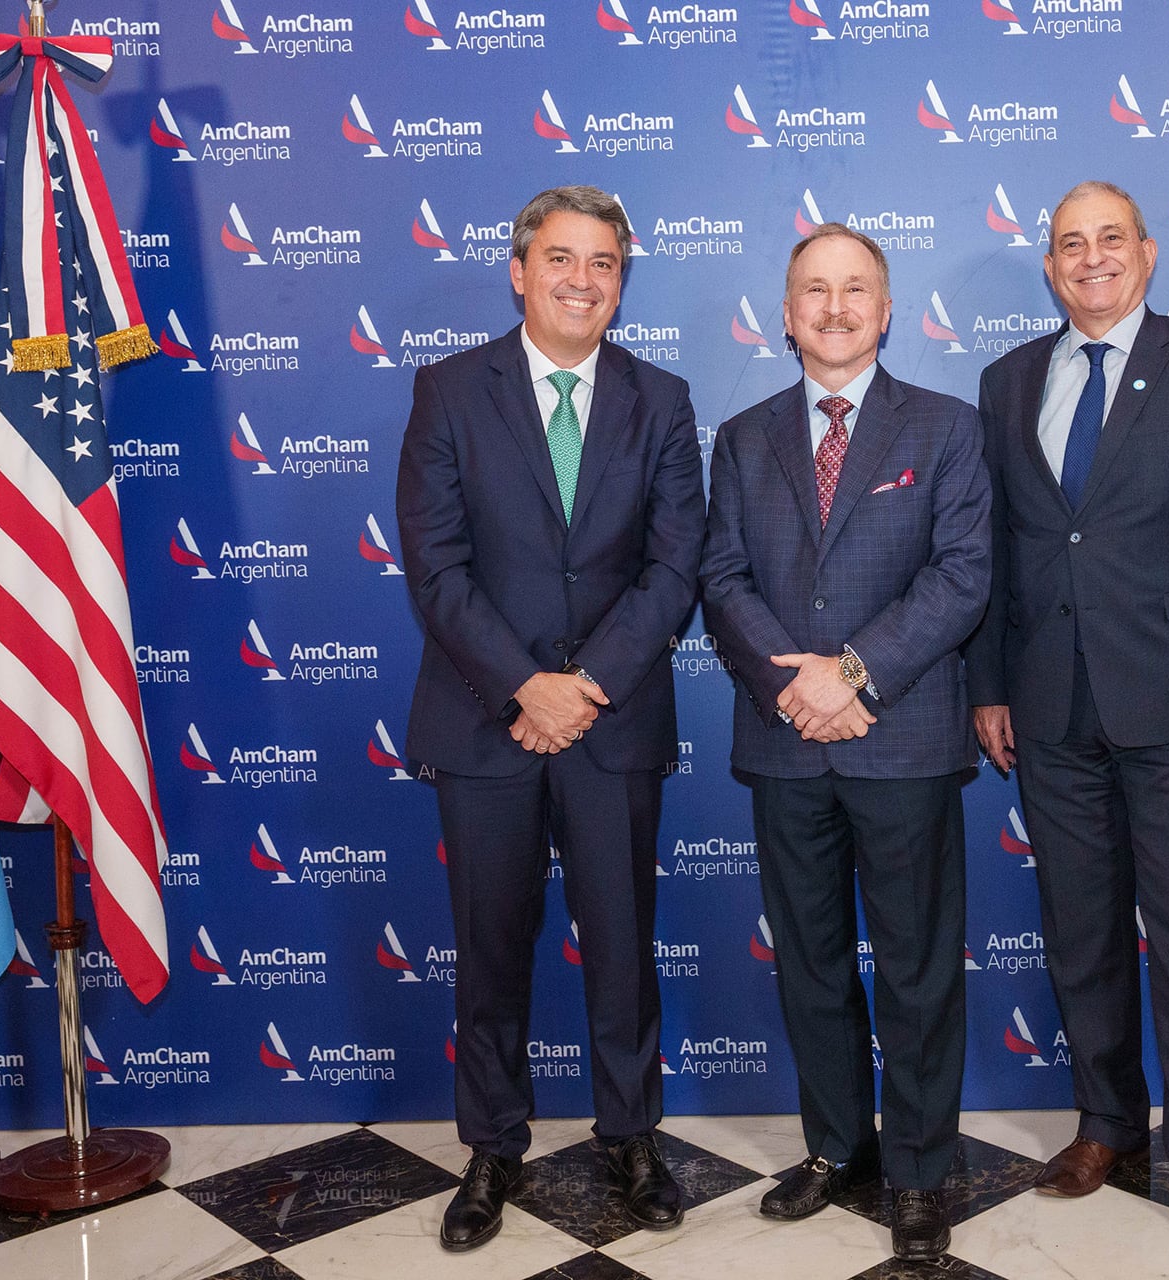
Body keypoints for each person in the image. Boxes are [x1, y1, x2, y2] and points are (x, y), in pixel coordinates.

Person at [964, 181, 1169, 1274]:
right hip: (1049, 710)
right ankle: (1107, 1122)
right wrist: (991, 684)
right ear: (1048, 267)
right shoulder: (1007, 380)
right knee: (1080, 930)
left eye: (1110, 239)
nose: (1090, 258)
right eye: (1068, 245)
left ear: (1148, 252)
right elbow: (1002, 551)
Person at [395, 185, 705, 1252]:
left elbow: (674, 568)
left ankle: (631, 1134)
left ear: (624, 279)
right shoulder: (448, 390)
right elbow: (434, 568)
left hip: (612, 723)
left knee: (622, 943)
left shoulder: (661, 399)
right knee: (489, 948)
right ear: (520, 269)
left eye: (604, 263)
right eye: (562, 259)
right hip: (486, 721)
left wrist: (584, 686)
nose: (583, 280)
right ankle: (491, 1143)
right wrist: (526, 686)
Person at [699, 223, 991, 1263]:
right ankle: (836, 1145)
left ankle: (917, 1165)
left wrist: (852, 673)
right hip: (787, 743)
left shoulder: (947, 428)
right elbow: (720, 579)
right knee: (812, 962)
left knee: (916, 966)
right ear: (785, 314)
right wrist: (797, 689)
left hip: (900, 735)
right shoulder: (741, 436)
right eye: (814, 290)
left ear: (887, 306)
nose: (834, 306)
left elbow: (961, 574)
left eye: (855, 288)